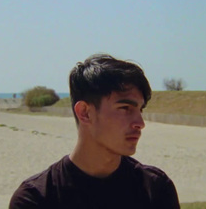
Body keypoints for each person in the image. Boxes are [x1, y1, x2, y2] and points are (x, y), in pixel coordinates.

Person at [9, 54, 180, 209]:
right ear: (85, 113)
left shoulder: (155, 188)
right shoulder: (36, 199)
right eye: (125, 108)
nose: (140, 123)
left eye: (140, 110)